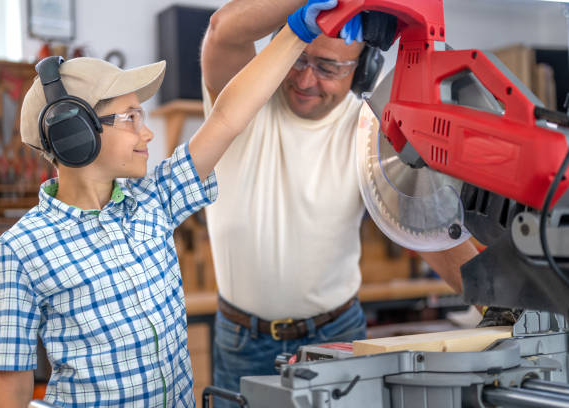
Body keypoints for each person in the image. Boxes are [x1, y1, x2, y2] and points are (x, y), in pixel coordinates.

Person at [0, 2, 353, 406]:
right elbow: (13, 381)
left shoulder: (153, 202)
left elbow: (228, 117)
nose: (146, 135)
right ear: (75, 132)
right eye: (130, 118)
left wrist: (297, 33)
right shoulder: (21, 250)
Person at [201, 1, 479, 405]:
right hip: (241, 338)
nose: (306, 79)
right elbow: (223, 29)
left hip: (336, 334)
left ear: (361, 70)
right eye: (298, 58)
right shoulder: (242, 102)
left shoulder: (369, 126)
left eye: (329, 68)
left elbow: (423, 226)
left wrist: (497, 308)